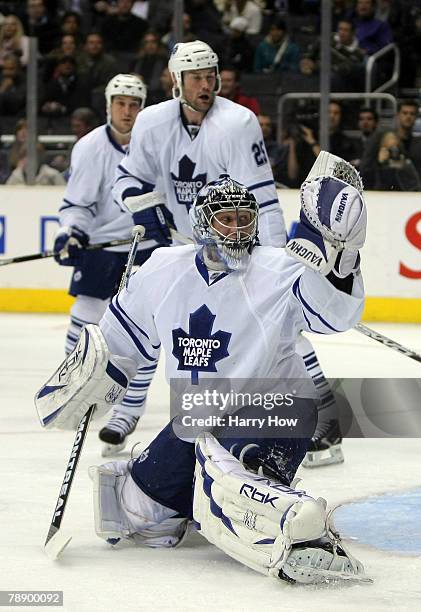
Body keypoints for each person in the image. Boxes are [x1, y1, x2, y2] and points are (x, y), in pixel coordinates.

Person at [37, 167, 368, 584]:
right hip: (199, 416)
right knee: (136, 509)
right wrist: (91, 378)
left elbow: (335, 317)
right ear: (201, 223)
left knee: (223, 474)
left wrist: (342, 258)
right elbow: (118, 342)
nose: (235, 229)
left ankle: (304, 535)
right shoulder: (162, 268)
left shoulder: (281, 269)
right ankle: (210, 506)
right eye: (224, 219)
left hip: (277, 410)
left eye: (244, 218)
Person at [111, 40, 344, 468]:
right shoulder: (151, 122)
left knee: (282, 333)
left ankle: (326, 426)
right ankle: (130, 413)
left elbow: (262, 196)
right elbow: (127, 180)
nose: (206, 84)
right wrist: (148, 209)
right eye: (196, 77)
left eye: (211, 75)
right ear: (175, 80)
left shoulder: (237, 123)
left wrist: (275, 263)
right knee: (160, 330)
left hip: (236, 247)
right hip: (184, 250)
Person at [52, 73, 157, 455]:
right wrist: (71, 232)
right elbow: (78, 203)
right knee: (86, 314)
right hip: (101, 245)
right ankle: (77, 387)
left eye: (134, 105)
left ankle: (126, 412)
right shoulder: (90, 146)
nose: (127, 111)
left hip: (146, 246)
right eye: (121, 104)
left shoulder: (155, 142)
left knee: (145, 330)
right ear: (109, 105)